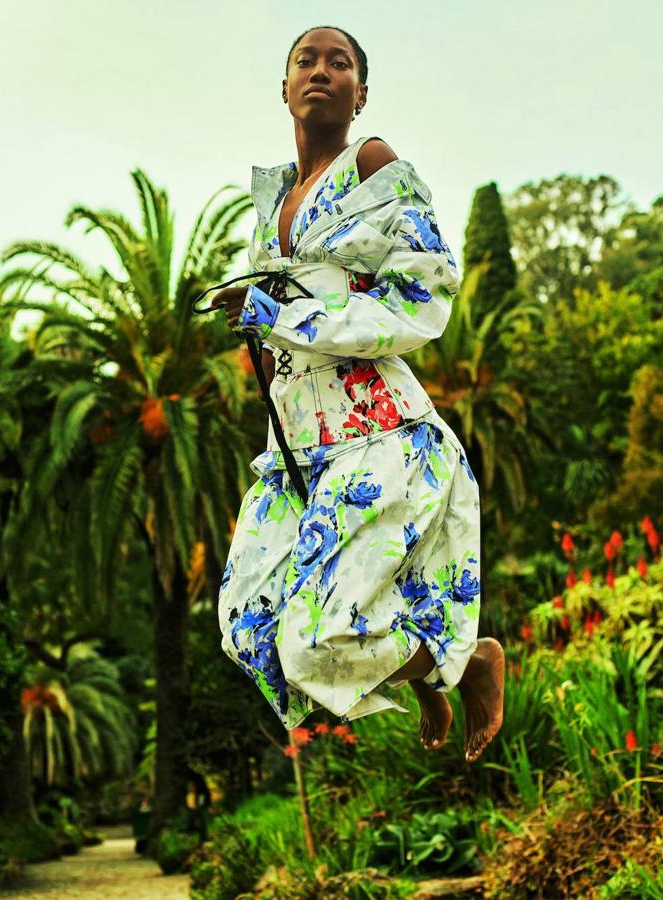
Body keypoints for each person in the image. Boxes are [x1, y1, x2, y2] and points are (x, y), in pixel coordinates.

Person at [210, 25, 504, 763]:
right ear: (282, 89)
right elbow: (300, 304)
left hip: (378, 434)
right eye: (304, 61)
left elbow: (426, 288)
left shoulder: (370, 163)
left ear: (360, 93)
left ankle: (470, 663)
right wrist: (253, 307)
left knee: (314, 645)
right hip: (297, 451)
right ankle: (425, 672)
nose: (320, 71)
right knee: (247, 625)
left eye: (338, 63)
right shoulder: (272, 200)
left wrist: (289, 316)